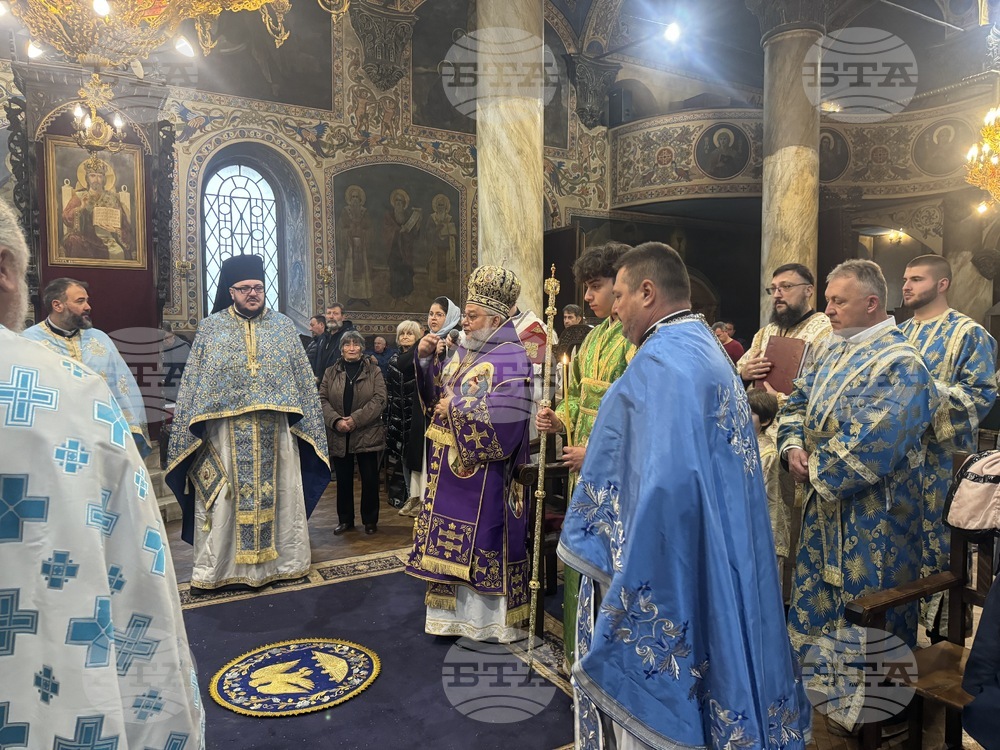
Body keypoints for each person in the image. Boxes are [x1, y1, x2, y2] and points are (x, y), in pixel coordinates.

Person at [558, 242, 810, 749]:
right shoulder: (702, 348)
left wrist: (617, 551)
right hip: (723, 540)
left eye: (621, 295)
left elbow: (661, 484)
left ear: (648, 292)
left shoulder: (660, 363)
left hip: (672, 554)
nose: (616, 308)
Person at [0, 199, 205, 748]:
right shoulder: (35, 354)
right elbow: (137, 572)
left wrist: (133, 437)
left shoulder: (100, 344)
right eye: (80, 298)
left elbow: (124, 392)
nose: (89, 305)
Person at [779, 259, 935, 734]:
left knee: (871, 607)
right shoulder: (833, 350)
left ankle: (880, 716)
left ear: (871, 303)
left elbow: (877, 439)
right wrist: (791, 446)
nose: (827, 310)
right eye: (827, 300)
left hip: (876, 520)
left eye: (837, 301)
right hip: (824, 509)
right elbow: (796, 400)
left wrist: (815, 466)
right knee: (822, 602)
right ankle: (829, 697)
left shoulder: (902, 363)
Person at [165, 254, 330, 592]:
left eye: (258, 287)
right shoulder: (211, 328)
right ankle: (221, 571)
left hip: (277, 432)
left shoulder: (283, 327)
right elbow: (195, 384)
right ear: (231, 291)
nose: (253, 293)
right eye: (245, 288)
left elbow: (301, 383)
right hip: (224, 434)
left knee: (281, 493)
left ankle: (282, 565)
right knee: (223, 499)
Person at [405, 266, 532, 642]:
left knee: (482, 538)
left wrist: (457, 408)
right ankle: (450, 620)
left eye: (472, 316)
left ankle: (485, 623)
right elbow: (437, 398)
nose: (466, 321)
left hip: (486, 478)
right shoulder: (467, 349)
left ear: (495, 318)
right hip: (449, 474)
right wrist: (424, 361)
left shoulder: (513, 356)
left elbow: (509, 419)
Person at [535, 241, 634, 666]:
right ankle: (580, 649)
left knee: (611, 563)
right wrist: (558, 419)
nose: (589, 297)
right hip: (582, 470)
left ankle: (607, 659)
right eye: (587, 288)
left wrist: (591, 452)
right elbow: (574, 394)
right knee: (582, 557)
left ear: (622, 283)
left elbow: (639, 414)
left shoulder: (636, 341)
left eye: (596, 287)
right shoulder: (593, 340)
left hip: (615, 473)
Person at [900, 254, 997, 639]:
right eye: (905, 278)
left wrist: (924, 391)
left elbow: (981, 395)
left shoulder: (969, 334)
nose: (906, 286)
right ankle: (899, 626)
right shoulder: (897, 334)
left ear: (942, 284)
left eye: (917, 279)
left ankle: (943, 637)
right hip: (899, 462)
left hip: (942, 462)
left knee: (941, 546)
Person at [23, 277, 151, 456]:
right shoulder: (29, 342)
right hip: (50, 440)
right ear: (57, 305)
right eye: (80, 301)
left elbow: (122, 387)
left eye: (87, 301)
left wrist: (130, 429)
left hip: (100, 437)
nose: (88, 307)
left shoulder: (100, 339)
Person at [397, 296, 461, 518]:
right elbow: (402, 365)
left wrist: (448, 352)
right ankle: (419, 498)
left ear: (450, 317)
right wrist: (422, 351)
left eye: (439, 314)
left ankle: (437, 501)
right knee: (421, 454)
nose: (433, 318)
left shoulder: (459, 340)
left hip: (446, 411)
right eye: (431, 314)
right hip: (423, 408)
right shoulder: (426, 340)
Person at [320, 330, 387, 535]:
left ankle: (370, 521)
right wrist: (336, 420)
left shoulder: (374, 371)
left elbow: (380, 399)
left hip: (367, 431)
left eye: (355, 344)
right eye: (347, 344)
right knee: (343, 479)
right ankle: (345, 520)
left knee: (369, 479)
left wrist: (355, 419)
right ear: (341, 349)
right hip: (339, 432)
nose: (351, 348)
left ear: (361, 348)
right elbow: (321, 399)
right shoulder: (330, 372)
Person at [737, 263, 832, 393]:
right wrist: (744, 375)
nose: (776, 295)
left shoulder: (826, 331)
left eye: (786, 287)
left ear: (808, 290)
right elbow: (737, 375)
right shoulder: (765, 332)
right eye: (773, 288)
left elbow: (826, 388)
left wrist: (781, 400)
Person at [60, 155, 135, 261]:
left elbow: (125, 226)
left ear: (104, 179)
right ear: (87, 178)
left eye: (100, 176)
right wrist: (81, 207)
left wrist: (115, 230)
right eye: (92, 176)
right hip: (86, 238)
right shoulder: (80, 196)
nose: (96, 179)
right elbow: (66, 217)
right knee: (73, 241)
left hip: (110, 238)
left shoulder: (112, 198)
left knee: (120, 251)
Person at [747, 388, 786, 568]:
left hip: (759, 529)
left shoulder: (767, 453)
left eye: (750, 413)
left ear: (765, 420)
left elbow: (766, 496)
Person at [385, 319, 422, 508]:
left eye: (409, 333)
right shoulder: (392, 361)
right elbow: (390, 392)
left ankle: (419, 499)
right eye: (402, 333)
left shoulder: (421, 359)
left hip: (416, 418)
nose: (405, 337)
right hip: (398, 419)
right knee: (403, 460)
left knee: (415, 462)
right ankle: (409, 498)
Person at [383, 188, 421, 303]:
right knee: (394, 274)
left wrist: (417, 224)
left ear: (404, 204)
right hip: (394, 250)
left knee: (406, 273)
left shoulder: (409, 216)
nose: (398, 203)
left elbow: (414, 234)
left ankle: (406, 296)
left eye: (401, 201)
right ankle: (395, 297)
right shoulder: (389, 215)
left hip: (406, 250)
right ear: (394, 202)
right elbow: (386, 230)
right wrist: (398, 230)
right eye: (397, 200)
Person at [339, 185, 373, 307]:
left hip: (362, 247)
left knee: (363, 272)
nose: (354, 199)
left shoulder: (364, 212)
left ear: (360, 199)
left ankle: (363, 296)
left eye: (356, 197)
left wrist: (363, 233)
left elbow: (370, 229)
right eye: (352, 197)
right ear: (349, 199)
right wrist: (348, 232)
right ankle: (352, 295)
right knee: (351, 269)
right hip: (350, 247)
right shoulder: (345, 211)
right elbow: (341, 229)